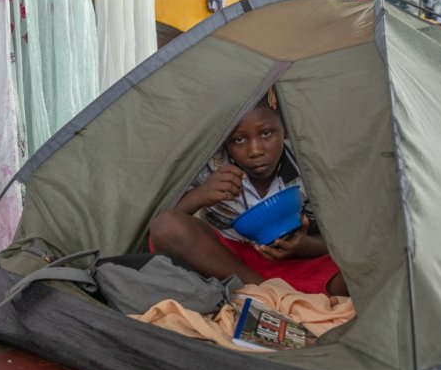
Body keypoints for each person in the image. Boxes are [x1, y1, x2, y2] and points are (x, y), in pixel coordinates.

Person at [149, 88, 348, 297]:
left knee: (359, 271)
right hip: (227, 260)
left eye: (266, 133)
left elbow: (338, 241)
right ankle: (269, 294)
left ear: (286, 130)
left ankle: (267, 295)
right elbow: (165, 224)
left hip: (293, 263)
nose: (255, 151)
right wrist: (200, 195)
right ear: (225, 140)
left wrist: (304, 245)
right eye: (239, 140)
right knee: (165, 227)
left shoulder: (307, 167)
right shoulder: (210, 164)